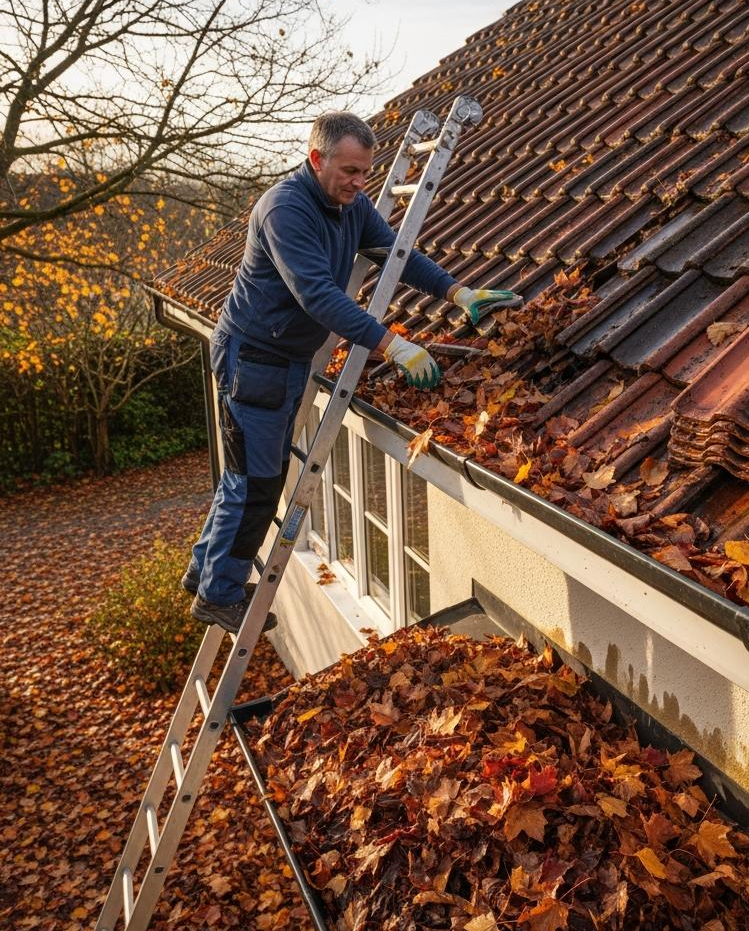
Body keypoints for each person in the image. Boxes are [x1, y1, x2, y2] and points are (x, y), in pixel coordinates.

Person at [181, 111, 515, 633]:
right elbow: (316, 295)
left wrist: (458, 292)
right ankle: (219, 596)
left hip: (286, 360)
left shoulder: (351, 208)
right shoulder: (284, 211)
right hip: (255, 361)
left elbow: (397, 257)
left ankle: (204, 571)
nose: (361, 184)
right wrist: (393, 346)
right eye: (350, 172)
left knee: (246, 474)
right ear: (317, 159)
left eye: (366, 173)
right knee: (257, 484)